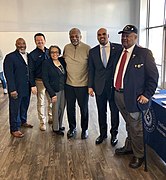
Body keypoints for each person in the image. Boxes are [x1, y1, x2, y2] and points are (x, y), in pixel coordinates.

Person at [114, 25, 159, 168]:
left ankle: (139, 155)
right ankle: (129, 146)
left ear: (135, 37)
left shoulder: (144, 53)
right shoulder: (119, 53)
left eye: (128, 35)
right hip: (118, 95)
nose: (125, 38)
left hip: (134, 98)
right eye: (123, 35)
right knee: (129, 124)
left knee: (136, 128)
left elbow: (153, 77)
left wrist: (147, 94)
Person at [88, 28, 122, 145]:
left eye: (104, 34)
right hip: (99, 87)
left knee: (114, 111)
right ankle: (102, 134)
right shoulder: (93, 51)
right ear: (97, 36)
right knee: (101, 112)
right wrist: (90, 86)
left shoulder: (118, 48)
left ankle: (114, 135)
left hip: (114, 87)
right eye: (99, 35)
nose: (101, 36)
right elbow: (91, 70)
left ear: (108, 35)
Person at [63, 28, 90, 139]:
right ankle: (72, 128)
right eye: (72, 36)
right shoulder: (66, 47)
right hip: (69, 84)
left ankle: (85, 129)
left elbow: (92, 67)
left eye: (76, 36)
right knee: (70, 108)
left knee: (84, 109)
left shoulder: (87, 48)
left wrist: (91, 85)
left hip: (83, 85)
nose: (74, 38)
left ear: (80, 36)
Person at [4, 38, 33, 138]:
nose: (22, 45)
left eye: (23, 43)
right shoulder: (10, 57)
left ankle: (23, 121)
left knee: (24, 105)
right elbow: (9, 74)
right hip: (16, 88)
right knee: (14, 108)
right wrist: (12, 89)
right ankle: (14, 129)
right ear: (16, 45)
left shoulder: (28, 56)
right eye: (19, 44)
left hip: (26, 87)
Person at [29, 33, 52, 131]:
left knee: (51, 101)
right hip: (39, 82)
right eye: (37, 40)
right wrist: (32, 85)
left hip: (50, 81)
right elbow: (30, 71)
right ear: (35, 42)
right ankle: (42, 122)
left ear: (45, 40)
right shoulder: (32, 55)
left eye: (41, 40)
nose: (40, 42)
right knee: (41, 103)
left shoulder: (50, 52)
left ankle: (51, 117)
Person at [42, 45, 66, 136]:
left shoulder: (62, 61)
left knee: (61, 108)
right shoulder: (46, 63)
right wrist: (52, 94)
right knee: (55, 109)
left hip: (64, 89)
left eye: (56, 52)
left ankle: (59, 125)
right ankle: (55, 128)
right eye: (52, 52)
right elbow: (45, 79)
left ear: (59, 53)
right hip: (54, 90)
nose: (54, 54)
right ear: (49, 53)